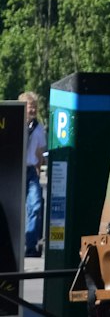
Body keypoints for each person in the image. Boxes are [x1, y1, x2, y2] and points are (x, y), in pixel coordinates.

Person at [19, 92, 45, 259]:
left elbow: (40, 150)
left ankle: (30, 246)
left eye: (35, 107)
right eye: (30, 107)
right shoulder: (14, 124)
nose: (33, 110)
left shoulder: (38, 127)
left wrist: (38, 165)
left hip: (30, 170)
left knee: (35, 206)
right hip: (16, 170)